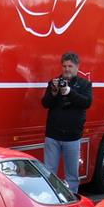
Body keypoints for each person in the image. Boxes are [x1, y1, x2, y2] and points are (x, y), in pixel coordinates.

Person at [41, 51, 92, 193]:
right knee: (49, 172)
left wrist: (69, 91)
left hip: (72, 137)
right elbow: (45, 104)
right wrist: (54, 91)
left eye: (70, 66)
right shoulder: (54, 82)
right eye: (64, 66)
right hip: (53, 135)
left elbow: (86, 103)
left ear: (77, 67)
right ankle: (50, 197)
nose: (66, 69)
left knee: (72, 174)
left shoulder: (84, 84)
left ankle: (73, 198)